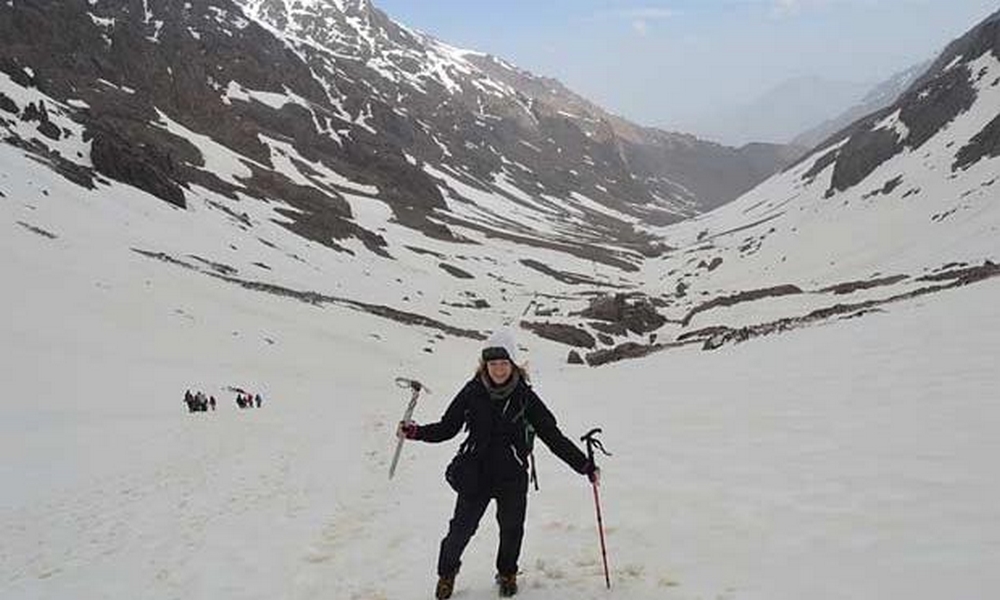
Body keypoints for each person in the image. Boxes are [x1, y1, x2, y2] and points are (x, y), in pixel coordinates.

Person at [398, 329, 598, 599]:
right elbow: (448, 428)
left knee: (512, 530)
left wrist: (584, 465)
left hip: (511, 477)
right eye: (493, 364)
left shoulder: (525, 397)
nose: (499, 369)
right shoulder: (472, 392)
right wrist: (416, 432)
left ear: (513, 364)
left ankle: (507, 573)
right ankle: (447, 574)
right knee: (459, 532)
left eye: (504, 364)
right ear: (485, 365)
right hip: (474, 475)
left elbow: (552, 436)